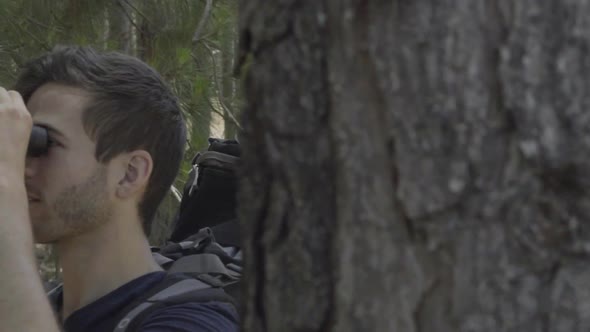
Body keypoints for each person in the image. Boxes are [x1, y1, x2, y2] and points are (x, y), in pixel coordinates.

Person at [0, 45, 239, 331]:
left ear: (129, 174)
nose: (20, 167)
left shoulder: (195, 321)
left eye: (42, 144)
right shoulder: (34, 309)